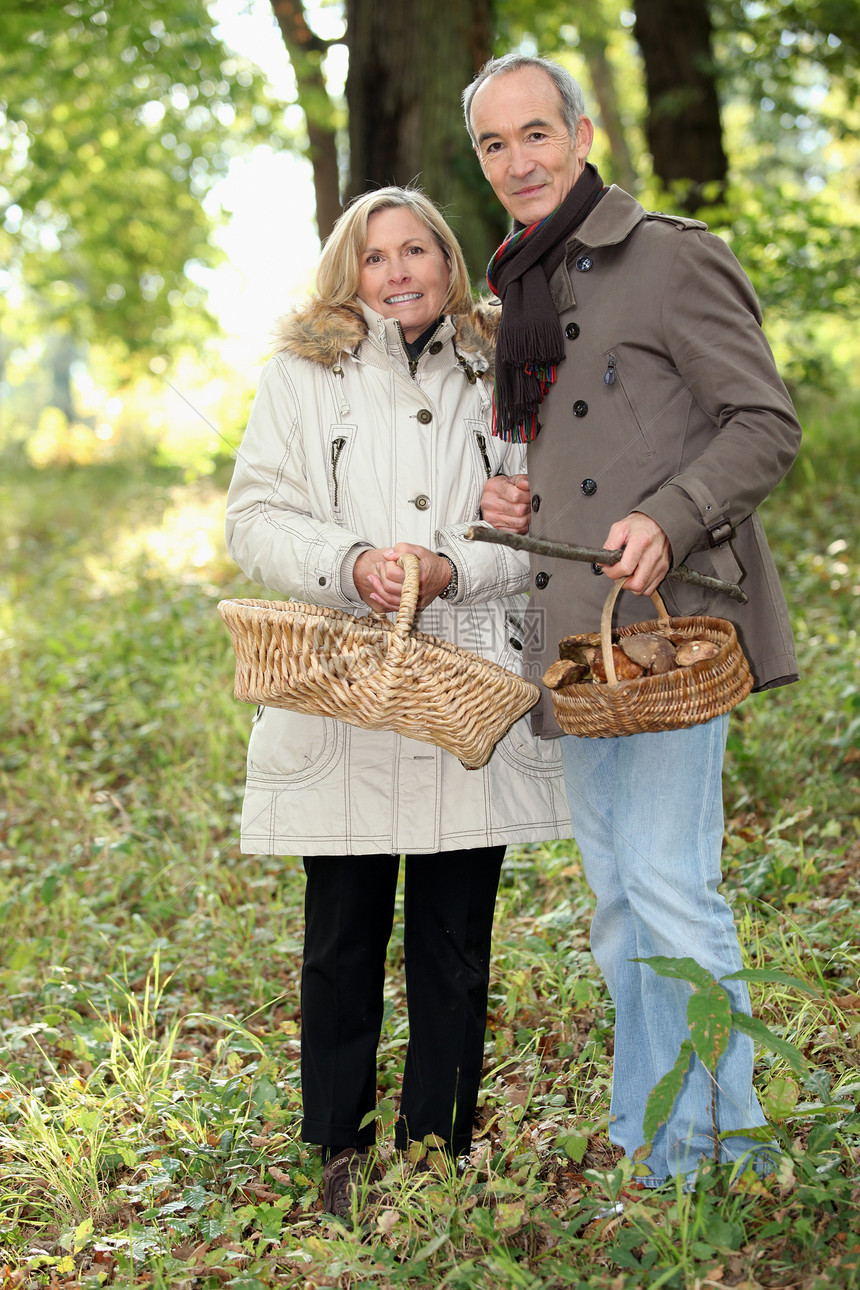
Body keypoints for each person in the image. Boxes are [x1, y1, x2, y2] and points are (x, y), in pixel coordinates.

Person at [461, 54, 801, 1188]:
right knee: (617, 901)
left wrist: (671, 511)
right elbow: (581, 456)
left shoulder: (667, 257)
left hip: (671, 625)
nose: (517, 161)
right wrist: (514, 499)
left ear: (580, 131)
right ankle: (654, 1143)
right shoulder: (520, 287)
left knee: (666, 885)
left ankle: (719, 1151)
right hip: (578, 636)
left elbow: (760, 421)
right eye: (493, 146)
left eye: (534, 135)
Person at [224, 185, 571, 1221]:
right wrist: (353, 559)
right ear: (349, 271)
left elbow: (533, 519)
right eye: (376, 256)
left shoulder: (502, 368)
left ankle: (438, 1151)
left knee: (456, 939)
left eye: (415, 250)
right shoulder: (300, 374)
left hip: (464, 680)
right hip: (345, 688)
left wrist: (451, 568)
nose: (397, 272)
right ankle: (336, 1149)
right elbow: (253, 518)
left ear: (446, 262)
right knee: (340, 937)